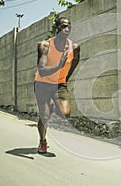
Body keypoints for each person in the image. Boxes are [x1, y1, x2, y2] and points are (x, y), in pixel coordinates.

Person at [34, 17, 80, 154]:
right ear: (57, 29)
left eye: (69, 27)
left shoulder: (75, 47)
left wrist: (65, 77)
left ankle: (53, 107)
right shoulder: (45, 46)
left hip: (59, 84)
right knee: (44, 116)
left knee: (65, 113)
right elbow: (41, 71)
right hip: (42, 84)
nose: (66, 29)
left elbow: (76, 61)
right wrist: (59, 65)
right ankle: (42, 141)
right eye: (63, 26)